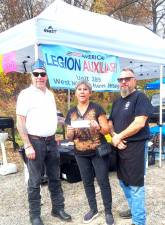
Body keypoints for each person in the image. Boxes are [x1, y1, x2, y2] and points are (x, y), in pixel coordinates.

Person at [16, 59, 71, 225]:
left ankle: (57, 209)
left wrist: (69, 121)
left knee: (55, 177)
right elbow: (20, 121)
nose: (39, 77)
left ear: (46, 76)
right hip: (35, 142)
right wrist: (27, 145)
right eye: (36, 74)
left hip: (51, 142)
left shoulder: (49, 94)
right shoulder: (25, 94)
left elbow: (51, 116)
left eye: (43, 74)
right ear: (31, 76)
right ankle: (34, 215)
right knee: (34, 181)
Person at [65, 80, 114, 225]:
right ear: (75, 93)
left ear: (89, 93)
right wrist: (70, 132)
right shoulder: (71, 112)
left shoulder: (96, 108)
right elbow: (69, 137)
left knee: (103, 181)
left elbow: (106, 130)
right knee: (87, 182)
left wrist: (98, 126)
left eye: (85, 89)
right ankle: (93, 209)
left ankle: (108, 211)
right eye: (79, 89)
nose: (82, 91)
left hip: (98, 152)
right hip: (80, 153)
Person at [109, 68, 153, 225]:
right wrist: (114, 137)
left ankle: (139, 220)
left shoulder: (140, 97)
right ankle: (134, 207)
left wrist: (120, 136)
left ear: (134, 80)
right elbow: (110, 122)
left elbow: (139, 122)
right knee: (123, 181)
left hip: (136, 147)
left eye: (127, 78)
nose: (123, 82)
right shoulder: (117, 100)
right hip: (119, 147)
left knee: (135, 185)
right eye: (120, 80)